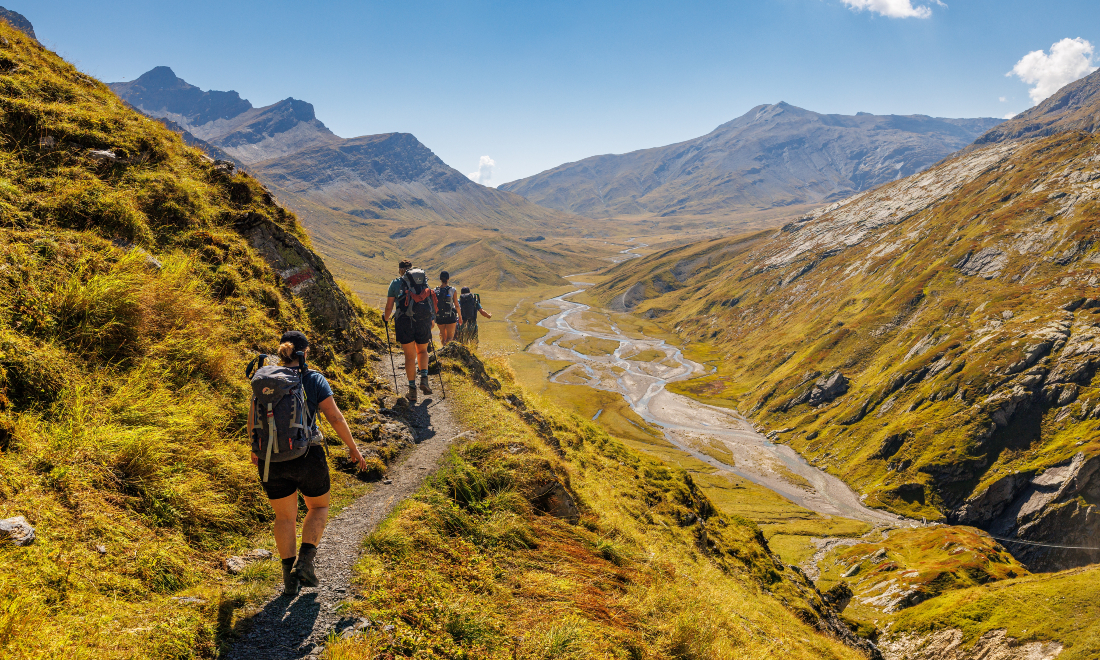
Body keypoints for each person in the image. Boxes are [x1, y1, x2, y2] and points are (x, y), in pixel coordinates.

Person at [249, 331, 368, 596]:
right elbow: (335, 418)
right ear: (306, 351)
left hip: (270, 459)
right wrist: (353, 449)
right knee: (319, 506)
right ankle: (304, 563)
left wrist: (255, 450)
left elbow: (252, 419)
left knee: (284, 517)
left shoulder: (264, 380)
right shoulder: (313, 378)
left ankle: (288, 580)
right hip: (308, 455)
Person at [383, 259, 435, 402]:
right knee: (423, 351)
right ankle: (424, 379)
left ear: (400, 270)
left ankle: (412, 390)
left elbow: (389, 307)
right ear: (412, 269)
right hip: (423, 320)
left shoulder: (395, 283)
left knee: (410, 356)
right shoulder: (422, 281)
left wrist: (386, 319)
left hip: (404, 321)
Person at [434, 271, 461, 345]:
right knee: (450, 338)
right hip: (450, 316)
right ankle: (446, 353)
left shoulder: (435, 290)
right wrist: (460, 317)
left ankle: (443, 352)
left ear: (440, 278)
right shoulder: (452, 290)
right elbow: (457, 305)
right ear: (448, 279)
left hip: (439, 317)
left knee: (443, 337)